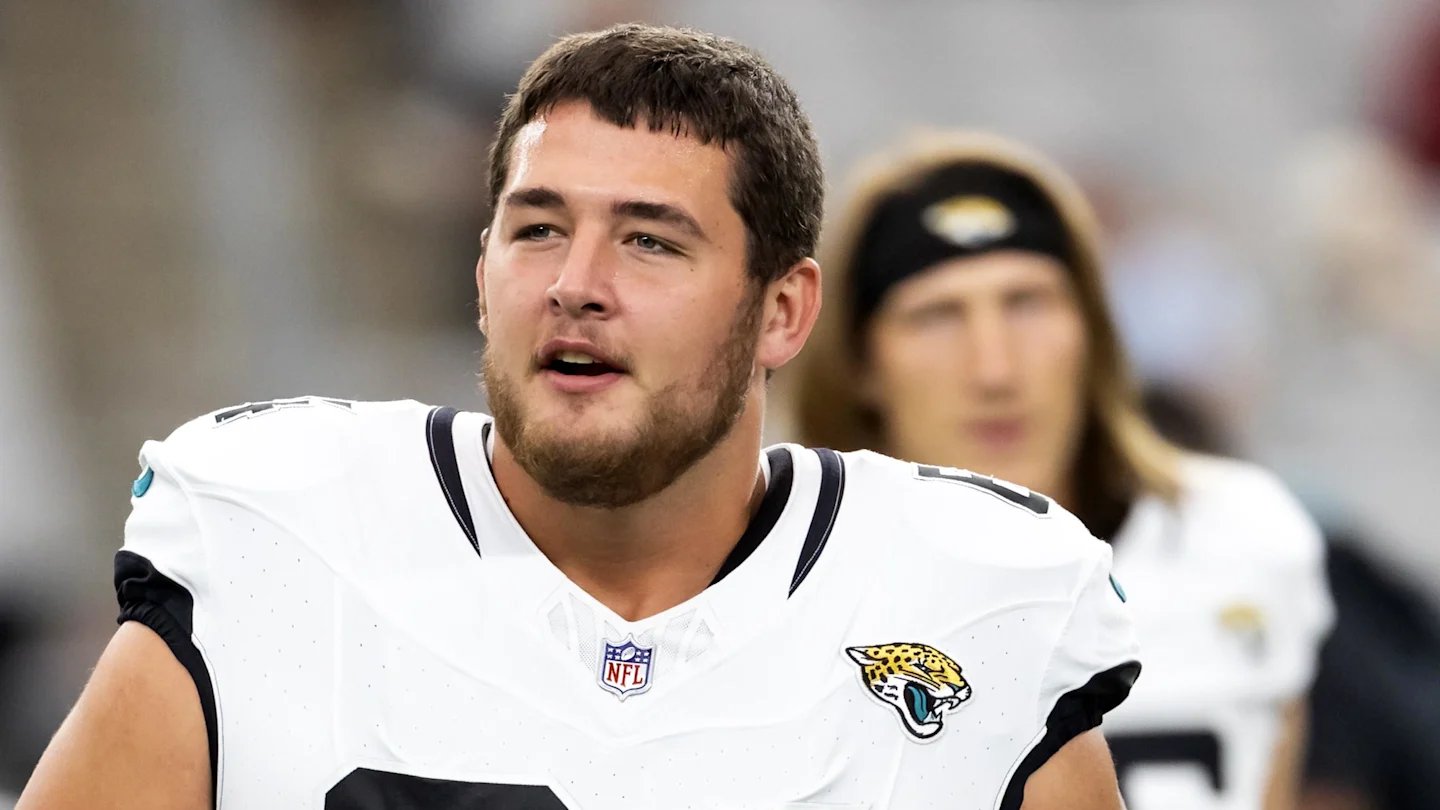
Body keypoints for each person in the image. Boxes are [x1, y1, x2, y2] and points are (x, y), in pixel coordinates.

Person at [20, 27, 1139, 810]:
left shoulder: (976, 601)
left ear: (783, 312)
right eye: (538, 229)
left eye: (650, 240)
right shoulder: (275, 538)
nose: (576, 284)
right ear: (482, 271)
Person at [795, 131, 1332, 810]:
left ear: (1092, 331)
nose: (995, 368)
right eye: (937, 316)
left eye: (1027, 303)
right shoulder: (793, 596)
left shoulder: (1242, 534)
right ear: (860, 366)